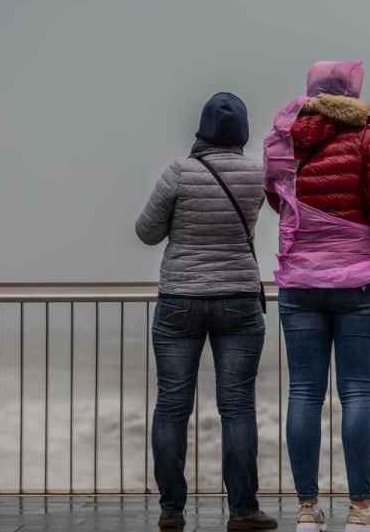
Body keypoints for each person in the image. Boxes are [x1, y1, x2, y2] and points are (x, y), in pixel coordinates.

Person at [263, 62, 370, 532]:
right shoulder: (366, 140)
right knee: (356, 391)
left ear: (312, 92)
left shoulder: (288, 138)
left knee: (304, 393)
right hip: (358, 284)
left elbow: (278, 200)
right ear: (354, 93)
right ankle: (359, 509)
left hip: (301, 282)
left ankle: (307, 511)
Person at [136, 92, 277, 531]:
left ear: (202, 128)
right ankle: (242, 510)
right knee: (237, 408)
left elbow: (146, 232)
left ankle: (171, 510)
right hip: (237, 297)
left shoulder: (179, 172)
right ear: (242, 133)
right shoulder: (256, 176)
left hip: (180, 297)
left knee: (173, 406)